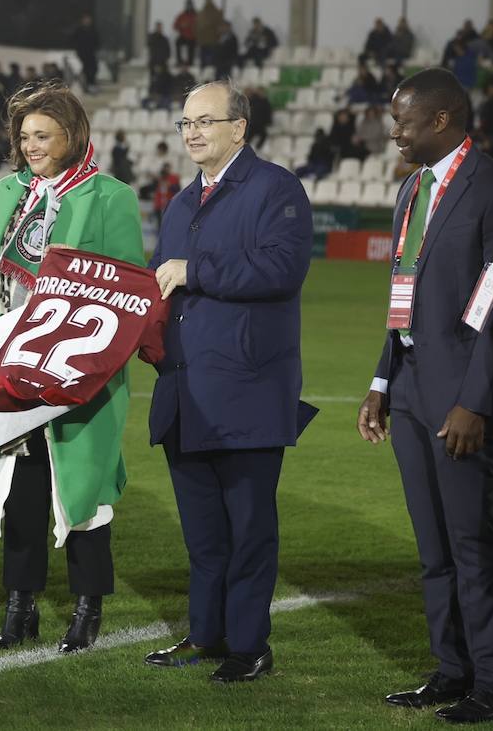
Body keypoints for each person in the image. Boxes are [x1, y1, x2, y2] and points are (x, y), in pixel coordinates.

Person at [357, 67, 493, 723]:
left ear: (440, 119)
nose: (393, 130)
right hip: (408, 389)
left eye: (403, 119)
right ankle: (452, 668)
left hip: (460, 399)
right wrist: (382, 378)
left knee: (472, 542)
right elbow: (402, 291)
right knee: (433, 547)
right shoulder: (412, 188)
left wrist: (476, 400)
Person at [0, 81, 143, 654]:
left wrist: (84, 359)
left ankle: (87, 610)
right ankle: (21, 608)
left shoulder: (109, 197)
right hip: (8, 363)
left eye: (42, 135)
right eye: (24, 135)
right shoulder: (10, 189)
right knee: (20, 494)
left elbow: (127, 291)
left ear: (71, 135)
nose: (30, 145)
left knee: (81, 492)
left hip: (74, 370)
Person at [144, 80, 314, 683]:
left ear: (238, 128)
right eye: (185, 122)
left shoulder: (276, 187)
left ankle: (250, 646)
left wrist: (197, 270)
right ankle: (205, 635)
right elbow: (160, 285)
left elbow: (282, 267)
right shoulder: (183, 201)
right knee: (205, 536)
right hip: (185, 393)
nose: (191, 132)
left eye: (204, 121)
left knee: (248, 533)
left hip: (245, 392)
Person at [195, 0, 223, 69]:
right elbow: (198, 25)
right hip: (204, 39)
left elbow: (219, 24)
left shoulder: (215, 12)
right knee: (204, 58)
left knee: (212, 59)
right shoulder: (202, 12)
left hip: (212, 38)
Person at [73, 14, 100, 91]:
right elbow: (74, 40)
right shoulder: (79, 30)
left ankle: (91, 83)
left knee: (93, 68)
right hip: (82, 53)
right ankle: (87, 85)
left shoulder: (93, 30)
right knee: (86, 69)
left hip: (91, 53)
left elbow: (96, 41)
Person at [173, 0, 198, 67]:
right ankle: (179, 61)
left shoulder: (196, 15)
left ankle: (190, 62)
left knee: (192, 46)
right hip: (184, 36)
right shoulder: (182, 15)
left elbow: (200, 26)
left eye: (190, 5)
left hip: (193, 37)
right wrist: (181, 25)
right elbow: (175, 26)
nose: (189, 7)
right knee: (177, 42)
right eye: (188, 5)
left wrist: (194, 27)